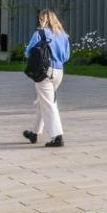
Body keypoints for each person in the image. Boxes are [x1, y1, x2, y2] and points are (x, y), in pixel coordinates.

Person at [21, 10, 70, 149]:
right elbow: (66, 57)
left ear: (43, 19)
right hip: (59, 72)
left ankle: (57, 137)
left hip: (43, 72)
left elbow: (27, 52)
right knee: (44, 102)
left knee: (49, 105)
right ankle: (34, 133)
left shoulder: (40, 33)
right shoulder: (64, 36)